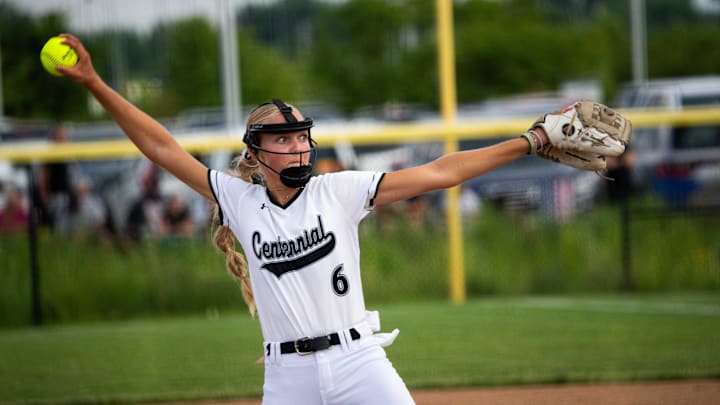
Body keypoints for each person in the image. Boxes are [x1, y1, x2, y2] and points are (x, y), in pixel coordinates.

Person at [57, 33, 553, 405]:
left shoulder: (338, 191)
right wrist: (94, 83)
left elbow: (441, 172)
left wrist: (529, 142)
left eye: (302, 137)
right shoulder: (239, 201)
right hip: (287, 377)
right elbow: (160, 146)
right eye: (284, 139)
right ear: (256, 152)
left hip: (358, 363)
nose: (299, 147)